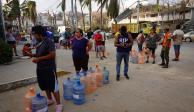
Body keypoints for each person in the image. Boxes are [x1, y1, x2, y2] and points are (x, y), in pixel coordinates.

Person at [29, 25, 63, 112]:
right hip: (40, 68)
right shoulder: (38, 42)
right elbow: (40, 54)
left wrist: (39, 59)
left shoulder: (49, 42)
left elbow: (52, 55)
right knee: (45, 85)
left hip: (49, 68)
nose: (33, 36)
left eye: (34, 34)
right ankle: (50, 100)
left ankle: (59, 105)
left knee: (53, 87)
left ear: (40, 34)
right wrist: (32, 55)